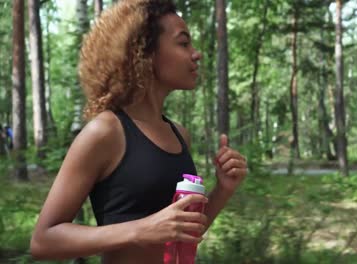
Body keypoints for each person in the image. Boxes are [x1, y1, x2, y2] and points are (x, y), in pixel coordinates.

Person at [29, 0, 247, 263]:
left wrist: (223, 189)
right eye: (183, 43)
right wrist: (140, 229)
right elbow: (43, 240)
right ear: (144, 52)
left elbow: (183, 233)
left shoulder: (179, 135)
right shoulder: (106, 131)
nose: (196, 53)